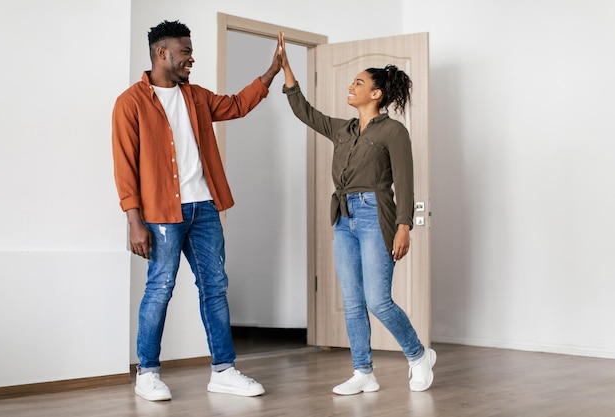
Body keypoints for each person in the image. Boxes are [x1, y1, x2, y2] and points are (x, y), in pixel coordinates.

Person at [111, 20, 282, 401]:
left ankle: (223, 369)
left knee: (215, 287)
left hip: (204, 208)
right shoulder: (131, 103)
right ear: (162, 53)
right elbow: (124, 165)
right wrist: (134, 221)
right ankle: (148, 373)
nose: (192, 58)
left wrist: (270, 71)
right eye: (185, 51)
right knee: (160, 288)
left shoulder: (197, 97)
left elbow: (237, 106)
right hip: (160, 214)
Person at [279, 32, 436, 394]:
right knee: (351, 302)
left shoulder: (394, 132)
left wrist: (404, 226)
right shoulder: (342, 129)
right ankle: (363, 372)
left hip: (375, 217)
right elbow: (304, 110)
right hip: (344, 219)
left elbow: (405, 183)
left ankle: (417, 356)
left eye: (358, 83)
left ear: (376, 94)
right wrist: (287, 69)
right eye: (352, 82)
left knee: (378, 300)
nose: (351, 87)